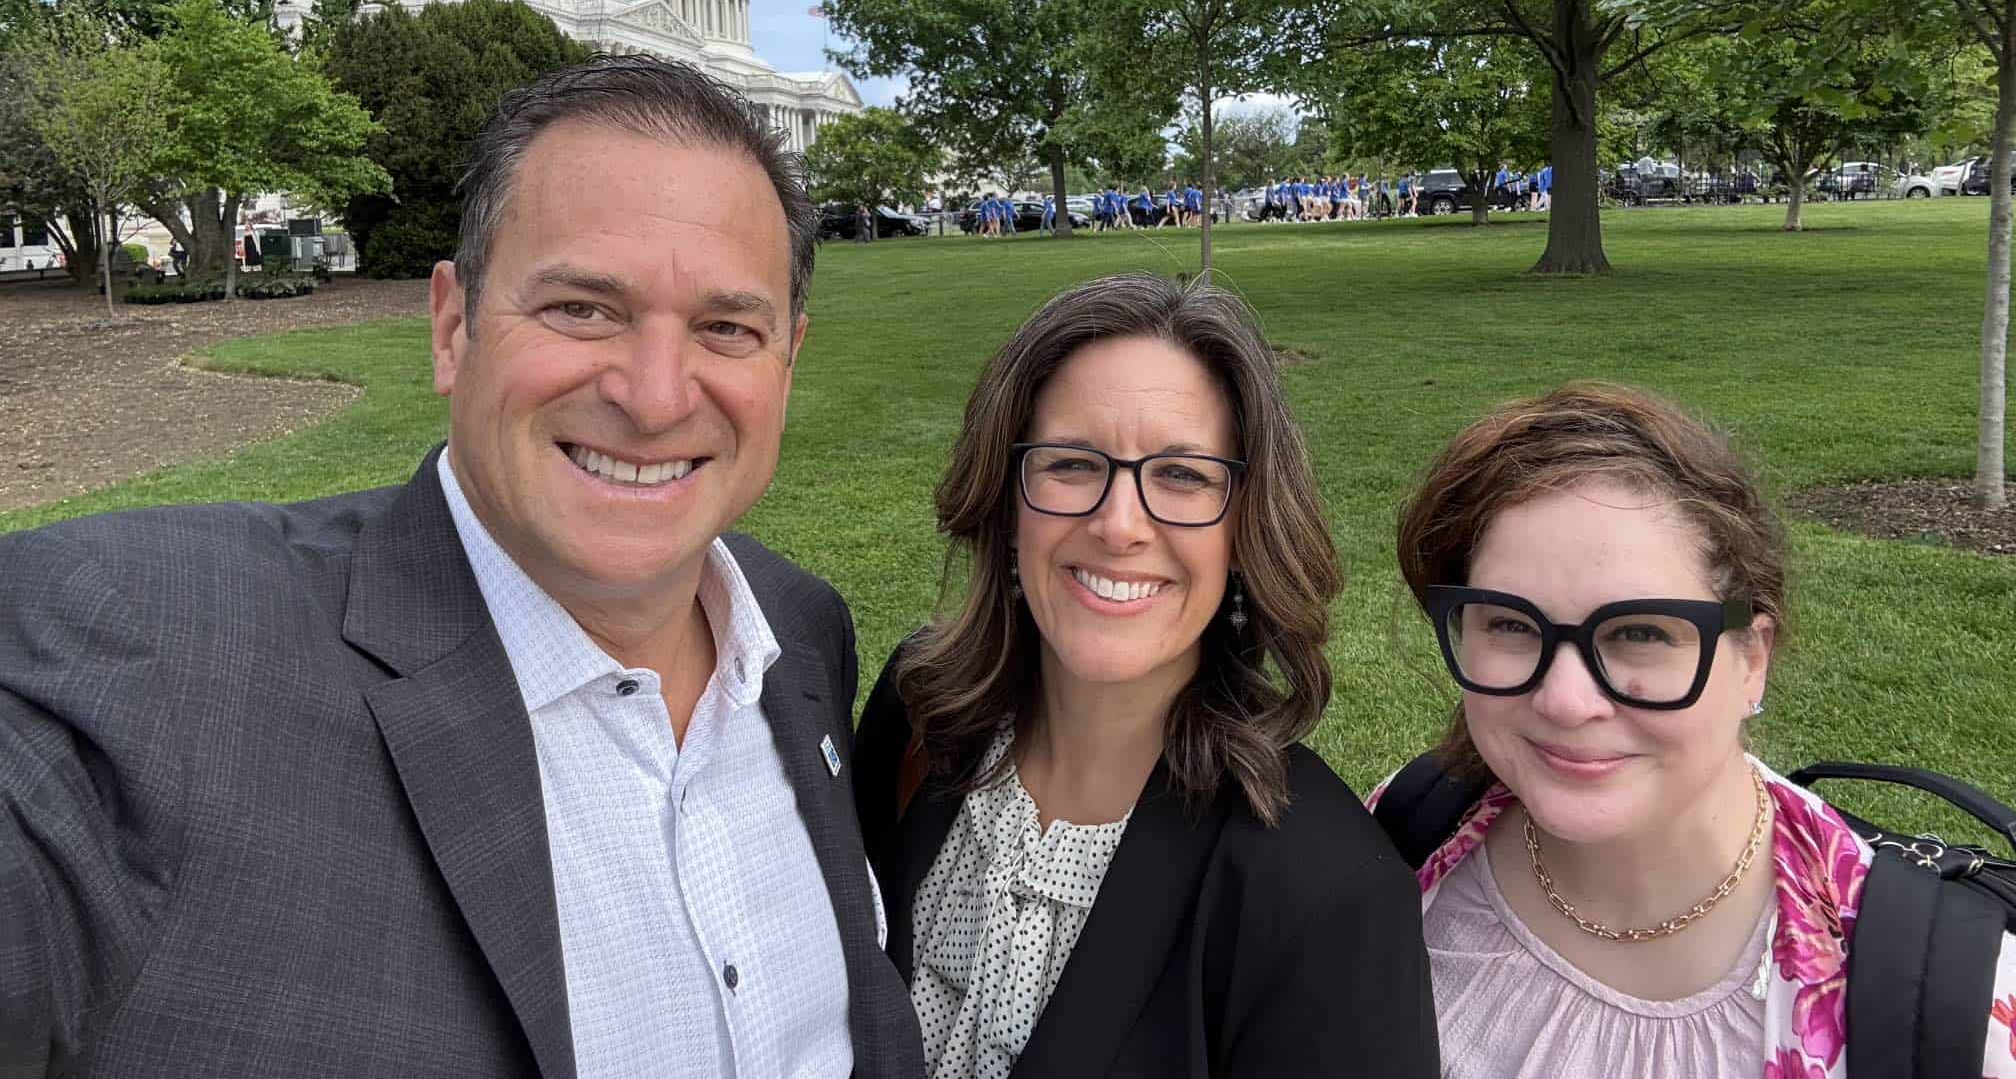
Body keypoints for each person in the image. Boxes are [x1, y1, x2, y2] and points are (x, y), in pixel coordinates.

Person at [0, 55, 926, 1079]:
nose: (658, 396)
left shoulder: (800, 637)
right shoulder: (142, 654)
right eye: (583, 308)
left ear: (787, 358)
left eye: (726, 328)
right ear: (452, 327)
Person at [855, 273, 1439, 1079]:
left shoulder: (1325, 894)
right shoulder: (921, 714)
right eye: (1070, 463)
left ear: (1246, 527)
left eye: (1183, 477)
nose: (1119, 525)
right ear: (1006, 498)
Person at [1377, 384, 2016, 1079]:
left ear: (1752, 660)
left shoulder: (1957, 1012)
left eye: (1641, 632)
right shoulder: (1404, 835)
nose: (1564, 699)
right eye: (1508, 623)